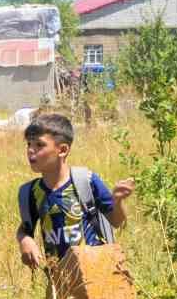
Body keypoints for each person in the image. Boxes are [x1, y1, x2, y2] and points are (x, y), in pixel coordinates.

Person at [15, 112, 133, 267]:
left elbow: (117, 222)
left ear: (62, 150)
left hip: (96, 272)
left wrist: (117, 201)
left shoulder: (86, 181)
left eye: (39, 145)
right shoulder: (30, 192)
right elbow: (25, 229)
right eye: (29, 144)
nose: (31, 150)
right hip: (58, 280)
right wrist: (25, 241)